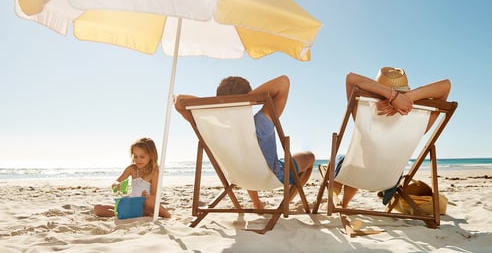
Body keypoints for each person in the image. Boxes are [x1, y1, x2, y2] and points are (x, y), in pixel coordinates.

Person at [175, 75, 315, 209]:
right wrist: (248, 100)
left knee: (245, 158)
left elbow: (179, 101)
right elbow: (283, 82)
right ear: (249, 96)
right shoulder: (262, 122)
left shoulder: (211, 126)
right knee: (310, 157)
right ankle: (285, 204)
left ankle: (257, 203)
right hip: (273, 176)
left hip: (238, 177)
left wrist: (218, 105)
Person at [332, 67, 451, 208]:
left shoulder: (364, 112)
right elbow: (446, 86)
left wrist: (393, 96)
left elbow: (351, 78)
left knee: (345, 160)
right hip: (387, 181)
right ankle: (341, 201)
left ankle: (338, 198)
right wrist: (407, 98)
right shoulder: (420, 122)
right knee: (356, 163)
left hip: (356, 175)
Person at [94, 137, 171, 218]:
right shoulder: (132, 169)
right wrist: (117, 185)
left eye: (142, 157)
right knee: (97, 208)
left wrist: (147, 196)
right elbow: (115, 183)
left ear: (151, 156)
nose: (138, 160)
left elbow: (155, 196)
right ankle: (127, 214)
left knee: (149, 202)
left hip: (145, 205)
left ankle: (167, 215)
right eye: (135, 156)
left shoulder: (154, 172)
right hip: (133, 205)